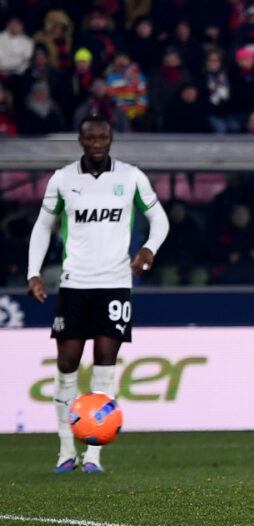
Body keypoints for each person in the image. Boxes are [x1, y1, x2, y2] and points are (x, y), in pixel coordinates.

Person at [26, 113, 169, 474]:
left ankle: (93, 456)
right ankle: (65, 451)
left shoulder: (131, 176)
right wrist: (34, 273)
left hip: (115, 283)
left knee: (105, 363)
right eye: (90, 138)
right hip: (75, 283)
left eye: (102, 137)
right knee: (67, 364)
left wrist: (149, 249)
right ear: (81, 141)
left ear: (110, 139)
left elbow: (160, 219)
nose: (97, 144)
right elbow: (43, 226)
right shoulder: (62, 179)